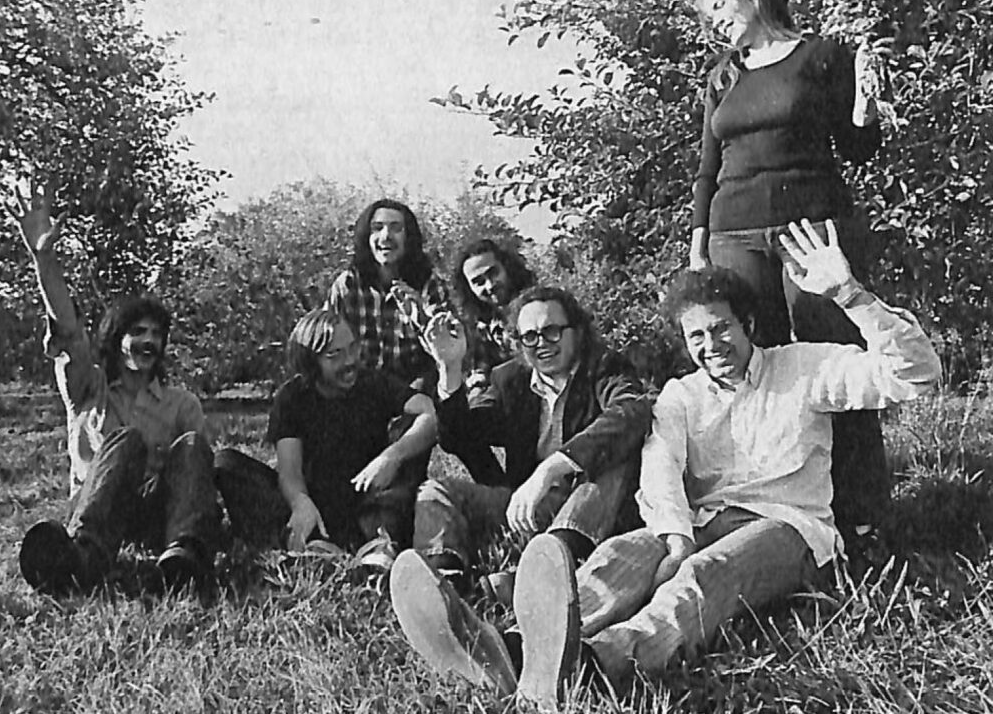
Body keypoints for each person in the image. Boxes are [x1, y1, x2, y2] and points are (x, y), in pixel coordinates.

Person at [390, 220, 940, 706]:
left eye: (722, 327)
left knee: (703, 576)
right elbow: (660, 465)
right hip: (698, 521)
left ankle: (594, 665)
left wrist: (849, 294)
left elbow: (914, 375)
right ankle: (508, 648)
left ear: (748, 323)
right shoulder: (682, 393)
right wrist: (674, 538)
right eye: (696, 336)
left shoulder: (805, 369)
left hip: (789, 529)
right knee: (622, 554)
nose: (711, 344)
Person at [688, 0, 889, 539]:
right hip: (733, 236)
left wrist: (865, 108)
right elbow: (708, 168)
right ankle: (778, 513)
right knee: (757, 378)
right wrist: (699, 245)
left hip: (811, 232)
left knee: (837, 364)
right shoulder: (722, 75)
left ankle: (861, 517)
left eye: (720, 6)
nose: (714, 23)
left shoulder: (824, 56)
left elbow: (857, 147)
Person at [389, 286, 651, 689]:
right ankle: (449, 595)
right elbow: (462, 436)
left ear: (576, 332)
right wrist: (450, 370)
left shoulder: (605, 368)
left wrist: (552, 468)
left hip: (592, 509)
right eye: (529, 336)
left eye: (551, 332)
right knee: (436, 491)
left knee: (613, 461)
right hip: (528, 508)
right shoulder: (510, 378)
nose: (541, 344)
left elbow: (631, 413)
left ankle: (550, 569)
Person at [10, 185, 220, 596]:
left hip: (156, 519)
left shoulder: (181, 403)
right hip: (101, 511)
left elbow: (197, 480)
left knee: (195, 443)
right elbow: (67, 329)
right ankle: (82, 558)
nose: (148, 341)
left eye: (156, 335)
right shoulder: (89, 387)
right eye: (137, 331)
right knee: (127, 440)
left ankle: (185, 558)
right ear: (116, 338)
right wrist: (44, 260)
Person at [213, 308, 438, 555]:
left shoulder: (372, 383)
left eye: (352, 348)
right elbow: (290, 471)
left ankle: (379, 547)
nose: (350, 361)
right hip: (315, 508)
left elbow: (427, 412)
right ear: (311, 361)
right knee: (226, 463)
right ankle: (303, 546)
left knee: (414, 431)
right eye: (335, 355)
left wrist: (391, 457)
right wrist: (300, 502)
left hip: (370, 504)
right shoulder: (292, 398)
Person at [326, 199, 448, 391]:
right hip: (358, 388)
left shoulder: (428, 285)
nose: (386, 236)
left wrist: (422, 318)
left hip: (414, 386)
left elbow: (446, 354)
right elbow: (328, 347)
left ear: (409, 238)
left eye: (396, 228)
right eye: (377, 228)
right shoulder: (347, 285)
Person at [452, 238, 536, 395]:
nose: (489, 285)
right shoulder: (482, 326)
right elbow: (481, 367)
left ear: (507, 267)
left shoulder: (538, 304)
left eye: (493, 273)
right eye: (479, 282)